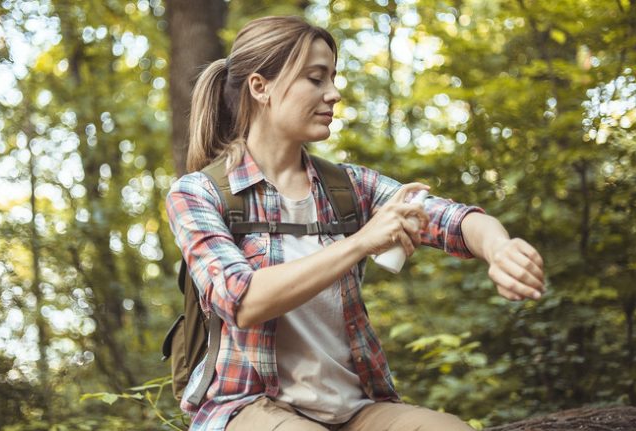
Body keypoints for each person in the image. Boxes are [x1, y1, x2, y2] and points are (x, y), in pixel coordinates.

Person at [165, 15, 545, 431]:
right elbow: (242, 301)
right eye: (316, 78)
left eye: (333, 77)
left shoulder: (348, 187)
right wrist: (361, 242)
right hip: (249, 408)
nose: (334, 93)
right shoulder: (198, 194)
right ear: (261, 87)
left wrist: (500, 248)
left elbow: (454, 220)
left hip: (353, 409)